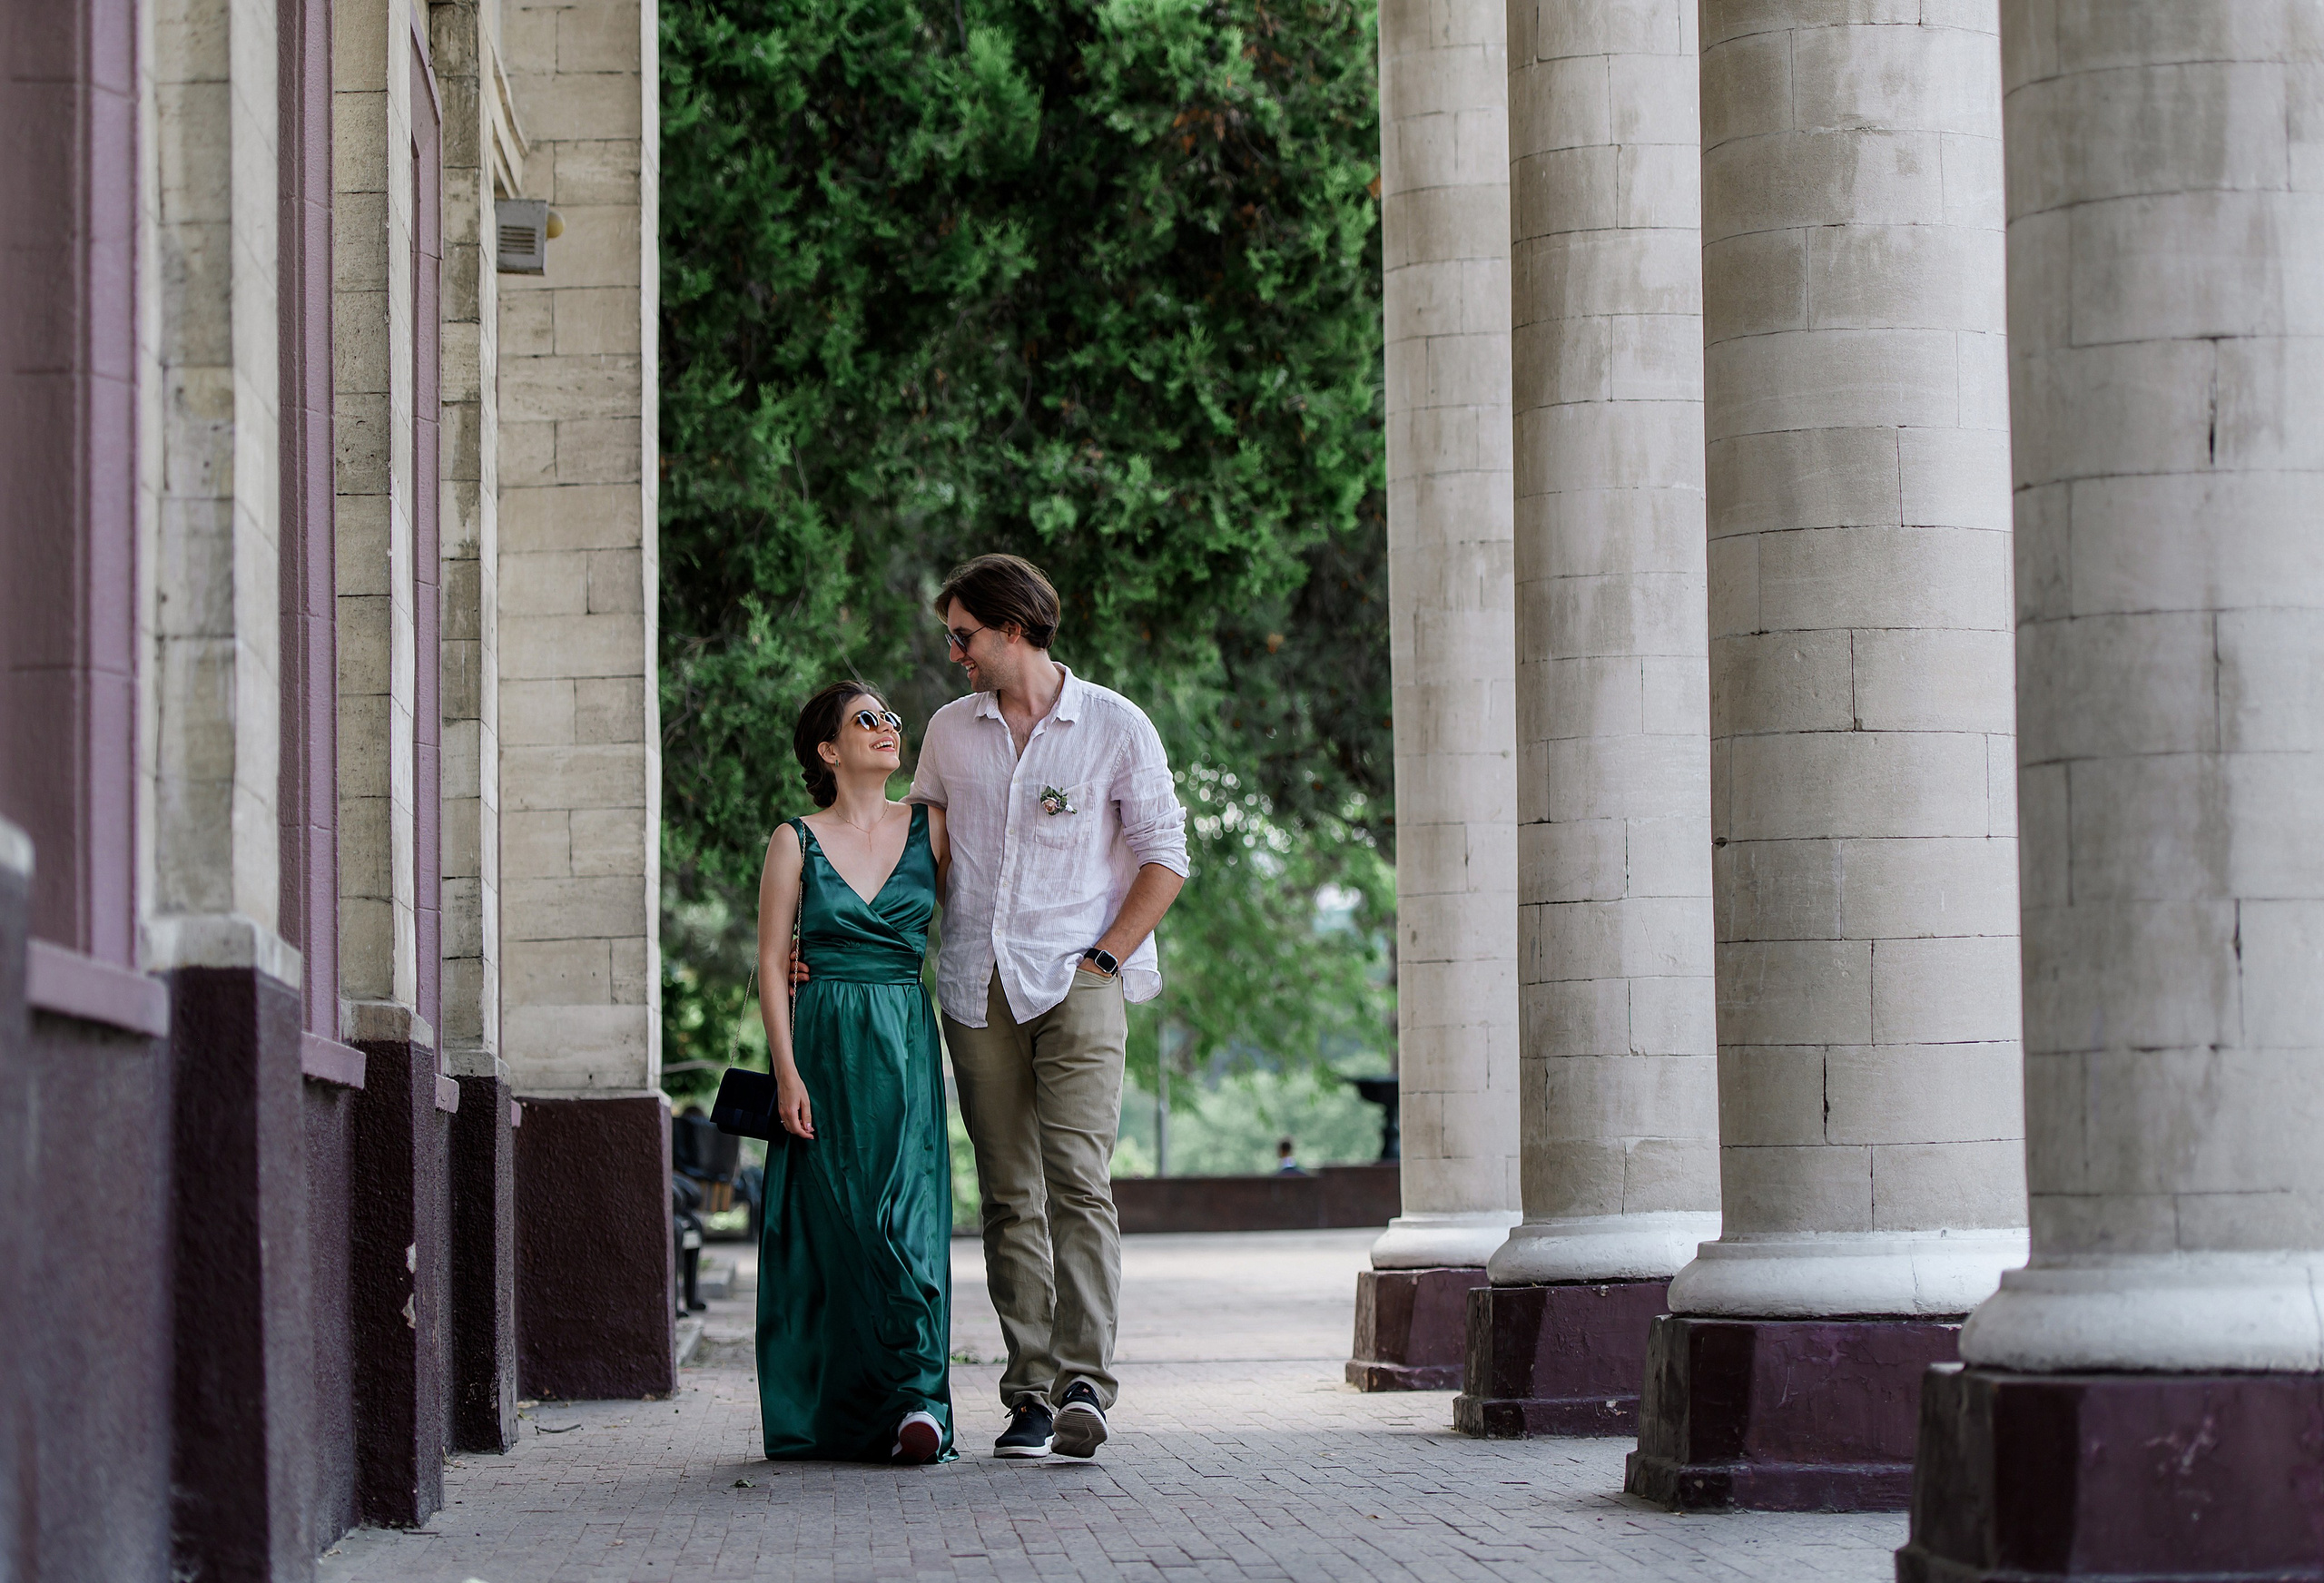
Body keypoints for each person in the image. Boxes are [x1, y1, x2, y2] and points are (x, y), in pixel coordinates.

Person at [909, 553, 1187, 1460]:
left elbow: (1165, 855)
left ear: (1012, 628)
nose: (955, 653)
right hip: (976, 983)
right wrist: (834, 934)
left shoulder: (1114, 724)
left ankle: (1084, 1384)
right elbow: (918, 853)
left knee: (1078, 1180)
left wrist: (1106, 958)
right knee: (1007, 1193)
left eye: (964, 636)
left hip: (1081, 977)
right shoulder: (949, 733)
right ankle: (1028, 1392)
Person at [753, 680, 956, 1465]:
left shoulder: (932, 827)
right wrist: (787, 1073)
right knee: (837, 1224)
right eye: (866, 719)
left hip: (903, 1042)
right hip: (824, 1045)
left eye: (891, 717)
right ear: (829, 750)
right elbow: (771, 963)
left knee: (906, 1219)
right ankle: (843, 1413)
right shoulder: (793, 841)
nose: (886, 727)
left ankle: (918, 1404)